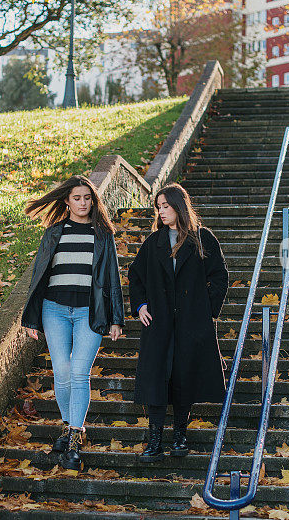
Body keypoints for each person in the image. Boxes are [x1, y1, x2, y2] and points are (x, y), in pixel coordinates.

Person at [21, 175, 125, 471]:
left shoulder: (103, 235)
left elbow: (112, 279)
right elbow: (39, 277)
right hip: (54, 309)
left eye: (87, 198)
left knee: (80, 372)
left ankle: (74, 436)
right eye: (77, 198)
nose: (82, 203)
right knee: (62, 370)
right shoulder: (54, 232)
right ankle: (70, 428)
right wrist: (31, 317)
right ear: (66, 201)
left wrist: (116, 318)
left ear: (93, 201)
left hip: (89, 313)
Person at [128, 183, 228, 461]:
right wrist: (140, 306)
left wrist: (205, 308)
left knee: (184, 376)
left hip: (189, 323)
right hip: (158, 323)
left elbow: (220, 276)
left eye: (165, 206)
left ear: (179, 207)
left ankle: (180, 436)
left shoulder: (202, 239)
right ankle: (155, 439)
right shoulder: (153, 243)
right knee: (156, 378)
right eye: (158, 207)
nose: (161, 211)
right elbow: (135, 277)